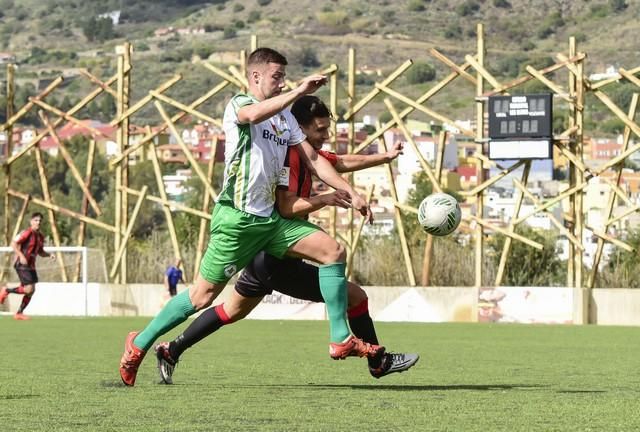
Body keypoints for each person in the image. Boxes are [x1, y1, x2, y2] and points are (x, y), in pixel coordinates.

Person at [119, 48, 381, 386]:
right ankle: (138, 344)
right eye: (276, 77)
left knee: (333, 252)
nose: (282, 82)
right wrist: (299, 90)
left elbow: (315, 160)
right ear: (255, 76)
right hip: (237, 220)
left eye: (284, 77)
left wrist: (352, 192)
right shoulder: (239, 104)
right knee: (201, 297)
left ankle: (340, 338)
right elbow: (253, 116)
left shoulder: (285, 118)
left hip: (271, 222)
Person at [154, 95, 419, 384]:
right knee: (355, 296)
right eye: (319, 130)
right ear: (300, 128)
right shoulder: (288, 157)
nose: (325, 136)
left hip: (265, 255)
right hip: (277, 259)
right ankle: (378, 362)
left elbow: (340, 161)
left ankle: (172, 349)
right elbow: (286, 207)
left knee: (230, 311)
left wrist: (385, 157)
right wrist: (325, 199)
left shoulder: (307, 154)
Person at [0, 212, 56, 320]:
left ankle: (19, 313)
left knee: (31, 291)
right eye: (36, 220)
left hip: (31, 266)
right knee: (29, 289)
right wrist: (21, 256)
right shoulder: (27, 233)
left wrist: (49, 255)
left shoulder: (40, 236)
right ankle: (6, 291)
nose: (38, 222)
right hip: (22, 264)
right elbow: (13, 244)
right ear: (31, 221)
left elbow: (40, 252)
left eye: (40, 221)